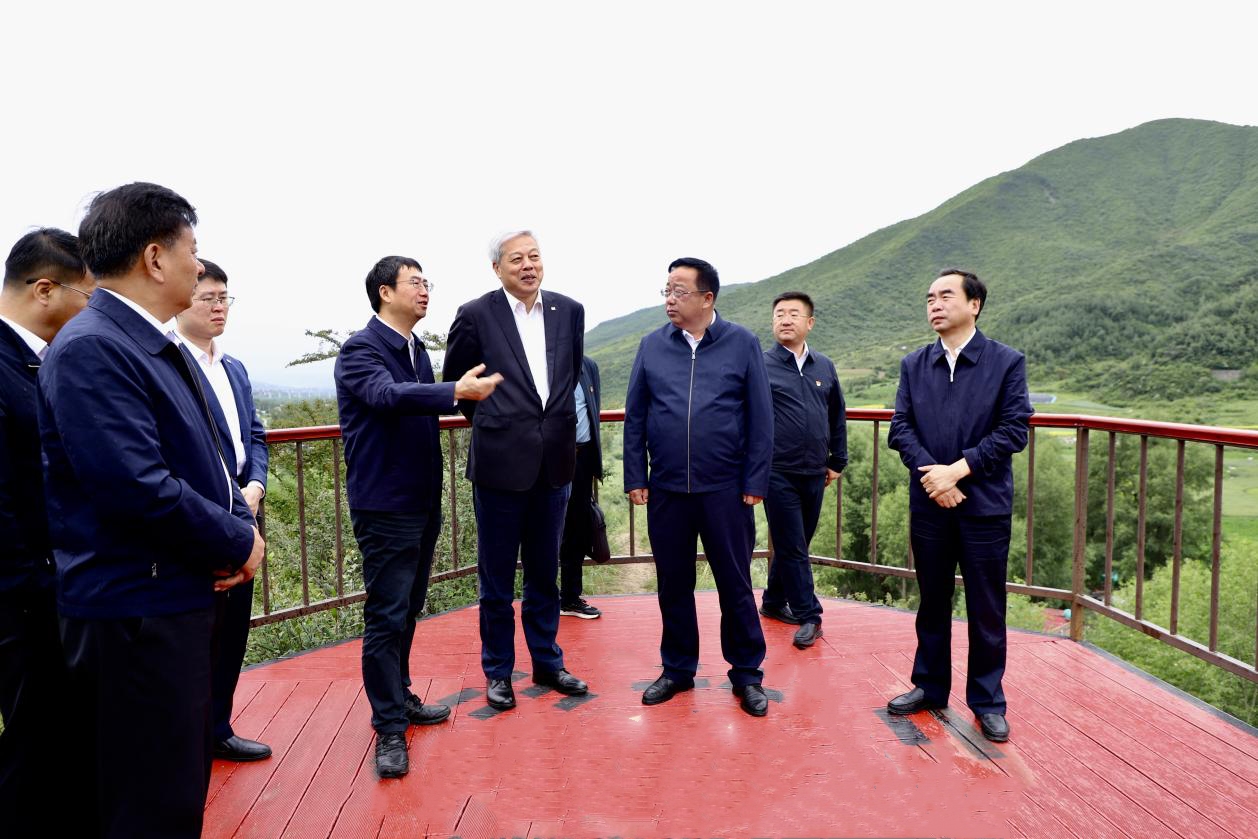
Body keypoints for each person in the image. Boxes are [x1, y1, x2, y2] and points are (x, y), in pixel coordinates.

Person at [38, 182, 264, 838]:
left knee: (174, 784)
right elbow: (136, 485)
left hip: (167, 600)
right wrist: (239, 540)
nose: (199, 265)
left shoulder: (147, 342)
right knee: (149, 801)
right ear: (156, 257)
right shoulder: (94, 347)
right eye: (193, 249)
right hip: (134, 611)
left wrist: (236, 525)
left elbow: (209, 456)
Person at [336, 255, 500, 778]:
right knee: (386, 616)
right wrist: (455, 391)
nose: (425, 290)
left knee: (407, 609)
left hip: (421, 500)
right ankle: (388, 725)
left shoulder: (414, 350)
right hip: (384, 504)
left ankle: (400, 696)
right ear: (385, 292)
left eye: (427, 282)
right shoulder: (362, 349)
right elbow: (386, 396)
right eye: (415, 282)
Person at [443, 230, 590, 712]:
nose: (528, 265)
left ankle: (548, 662)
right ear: (497, 268)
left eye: (534, 256)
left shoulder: (569, 310)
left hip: (555, 463)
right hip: (499, 464)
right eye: (516, 259)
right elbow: (460, 385)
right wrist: (499, 422)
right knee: (497, 579)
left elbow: (569, 375)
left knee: (546, 573)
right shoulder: (475, 314)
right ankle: (498, 671)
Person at [886, 268, 1032, 743]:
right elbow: (901, 428)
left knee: (986, 607)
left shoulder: (1006, 362)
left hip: (984, 505)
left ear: (974, 304)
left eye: (946, 295)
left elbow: (1013, 430)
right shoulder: (914, 364)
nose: (935, 304)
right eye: (930, 297)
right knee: (932, 601)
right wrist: (935, 477)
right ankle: (929, 686)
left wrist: (959, 470)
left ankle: (988, 701)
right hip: (931, 502)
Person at [623, 257, 774, 717]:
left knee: (735, 583)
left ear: (707, 298)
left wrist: (755, 479)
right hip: (667, 488)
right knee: (673, 584)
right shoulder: (652, 345)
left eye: (679, 291)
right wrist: (636, 475)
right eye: (666, 290)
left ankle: (746, 673)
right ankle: (677, 669)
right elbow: (636, 415)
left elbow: (760, 416)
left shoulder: (742, 343)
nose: (670, 299)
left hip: (726, 489)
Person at [0, 228, 94, 834]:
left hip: (51, 584)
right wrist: (38, 581)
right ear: (44, 290)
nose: (93, 309)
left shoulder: (39, 359)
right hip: (23, 595)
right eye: (87, 295)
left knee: (58, 731)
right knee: (30, 736)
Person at [172, 258, 272, 763]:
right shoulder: (170, 363)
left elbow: (253, 434)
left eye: (224, 298)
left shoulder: (234, 367)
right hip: (203, 513)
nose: (218, 307)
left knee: (233, 630)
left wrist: (255, 485)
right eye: (207, 297)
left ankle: (218, 728)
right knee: (197, 632)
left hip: (244, 512)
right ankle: (187, 739)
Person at [759, 291, 847, 649]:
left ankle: (772, 601)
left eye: (793, 314)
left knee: (796, 542)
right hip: (775, 471)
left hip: (815, 471)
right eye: (779, 313)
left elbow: (836, 414)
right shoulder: (760, 364)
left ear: (809, 323)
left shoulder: (824, 366)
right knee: (793, 545)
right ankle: (810, 615)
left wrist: (837, 461)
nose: (785, 319)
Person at [558, 355, 603, 619]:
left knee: (577, 527)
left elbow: (593, 411)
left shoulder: (588, 366)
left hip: (582, 458)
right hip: (548, 458)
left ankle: (569, 598)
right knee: (542, 529)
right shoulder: (544, 360)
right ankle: (539, 598)